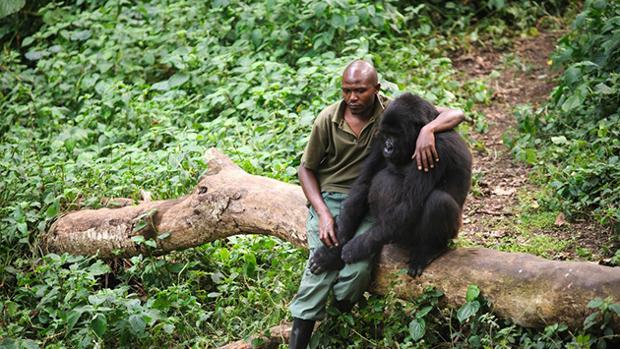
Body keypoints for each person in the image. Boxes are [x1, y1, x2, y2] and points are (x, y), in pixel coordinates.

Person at [288, 60, 464, 348]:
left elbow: (410, 206)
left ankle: (430, 249)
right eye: (347, 90)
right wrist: (337, 234)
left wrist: (428, 130)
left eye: (360, 91)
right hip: (345, 202)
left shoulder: (428, 143)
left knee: (435, 204)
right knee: (323, 266)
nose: (389, 145)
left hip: (431, 219)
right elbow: (363, 184)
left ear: (376, 90)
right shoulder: (349, 121)